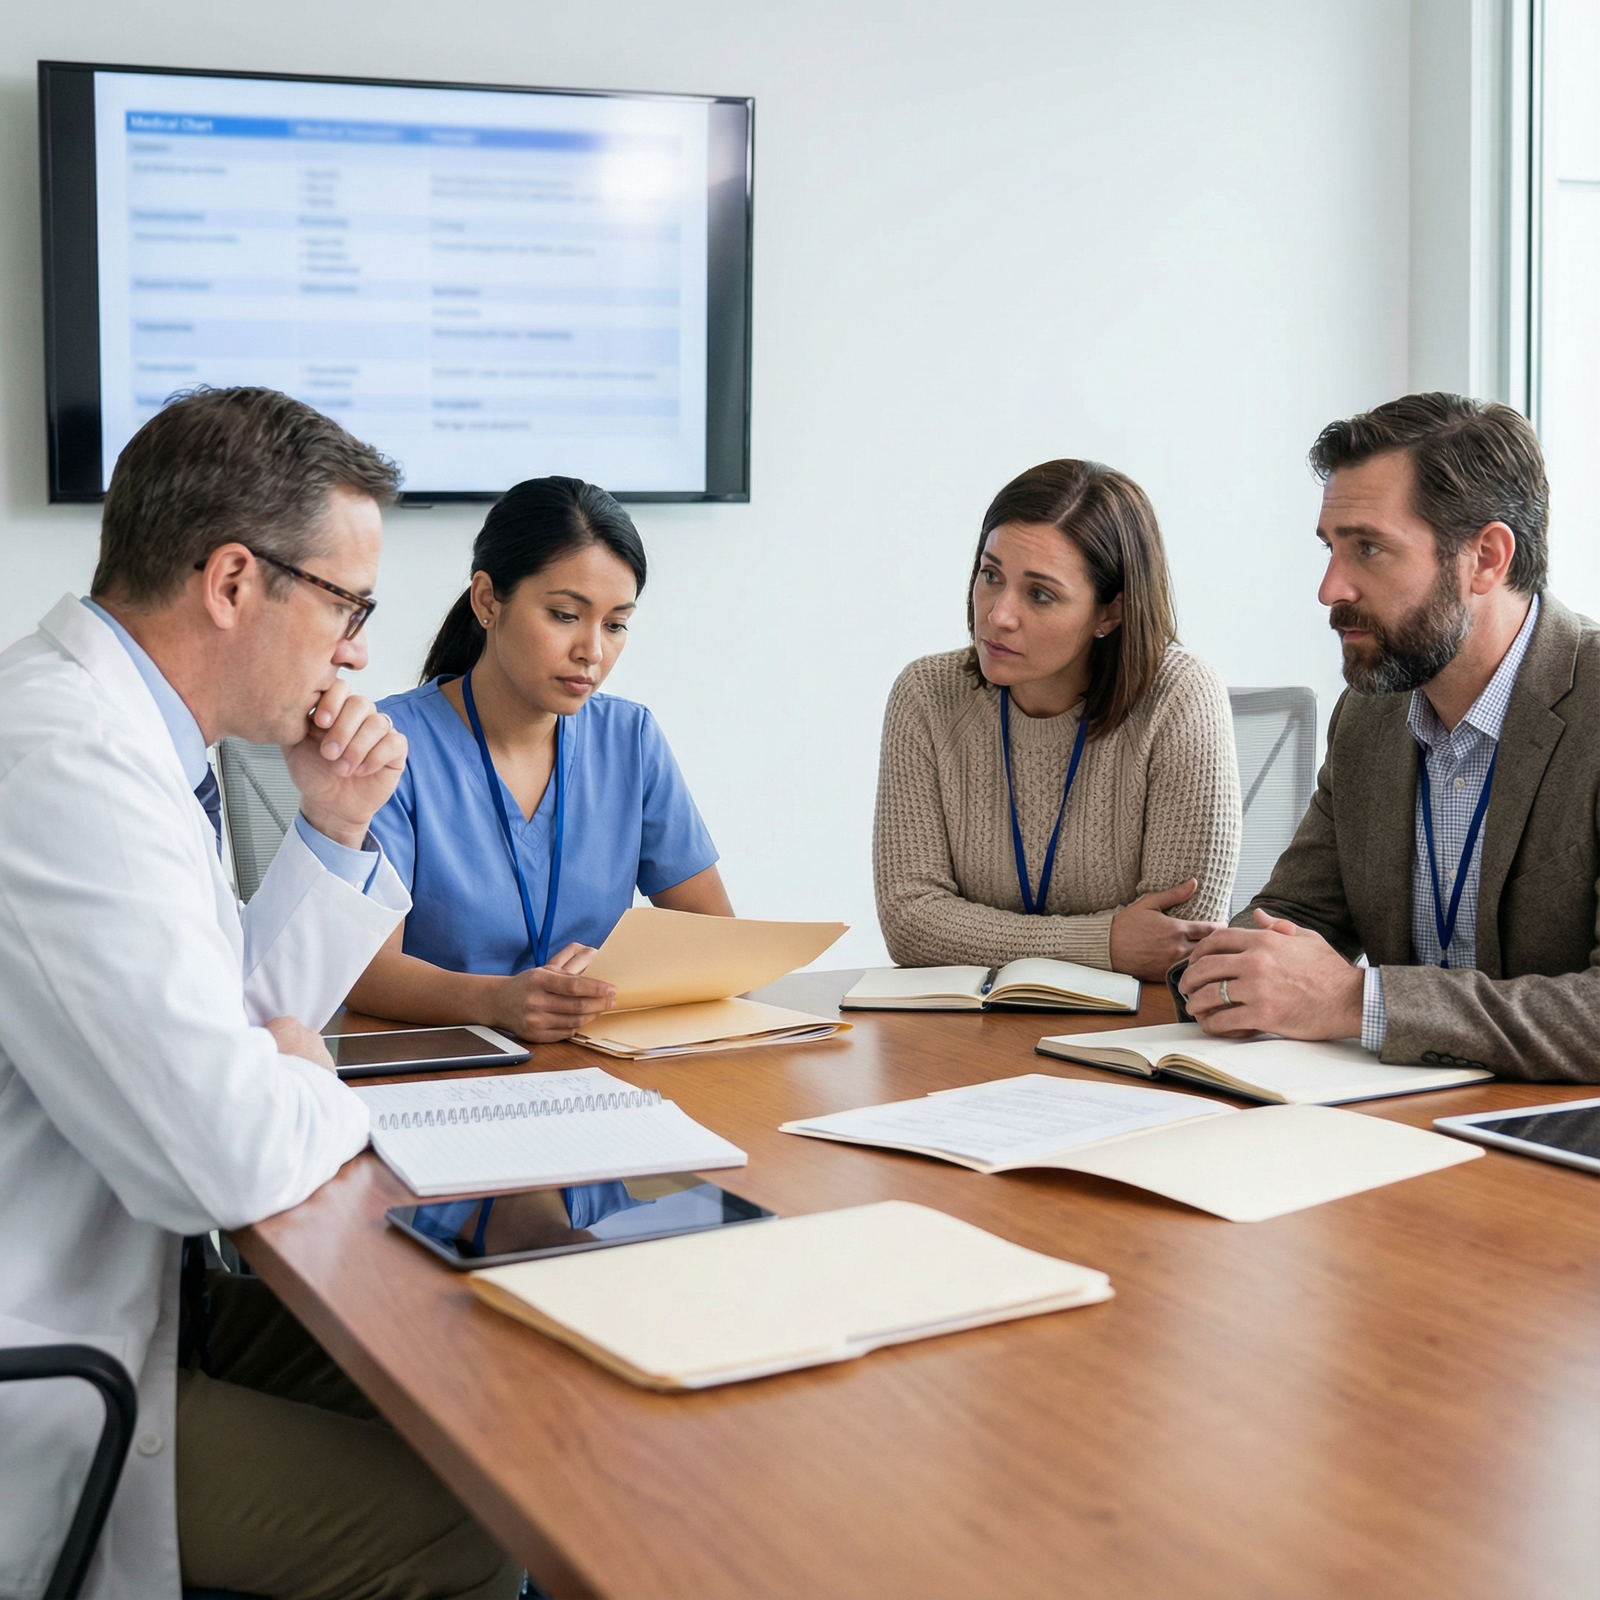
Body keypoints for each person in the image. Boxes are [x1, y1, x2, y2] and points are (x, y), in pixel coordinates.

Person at [0, 387, 520, 1600]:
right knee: (469, 1536)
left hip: (137, 1301)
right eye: (349, 605)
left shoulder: (130, 736)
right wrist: (307, 1072)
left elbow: (223, 1017)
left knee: (475, 1381)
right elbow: (223, 1157)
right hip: (52, 1371)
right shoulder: (61, 764)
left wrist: (334, 825)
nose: (358, 652)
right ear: (235, 581)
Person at [1180, 391, 1600, 1083]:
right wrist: (1219, 969)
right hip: (1405, 1120)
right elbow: (1297, 913)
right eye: (1331, 548)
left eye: (1368, 548)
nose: (1329, 589)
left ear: (1487, 559)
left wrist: (1359, 1001)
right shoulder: (1369, 716)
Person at [347, 477, 730, 1041]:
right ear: (487, 601)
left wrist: (612, 976)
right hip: (435, 1070)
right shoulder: (393, 746)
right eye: (564, 615)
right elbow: (363, 974)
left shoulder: (630, 738)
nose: (593, 652)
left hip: (596, 1067)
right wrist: (498, 1002)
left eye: (616, 624)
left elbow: (718, 940)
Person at [873, 458, 1241, 981]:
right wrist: (1102, 942)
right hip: (969, 1028)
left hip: (1133, 1033)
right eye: (990, 575)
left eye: (1040, 593)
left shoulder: (1179, 697)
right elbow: (909, 921)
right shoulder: (927, 695)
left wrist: (979, 935)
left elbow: (1176, 939)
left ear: (1110, 612)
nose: (998, 613)